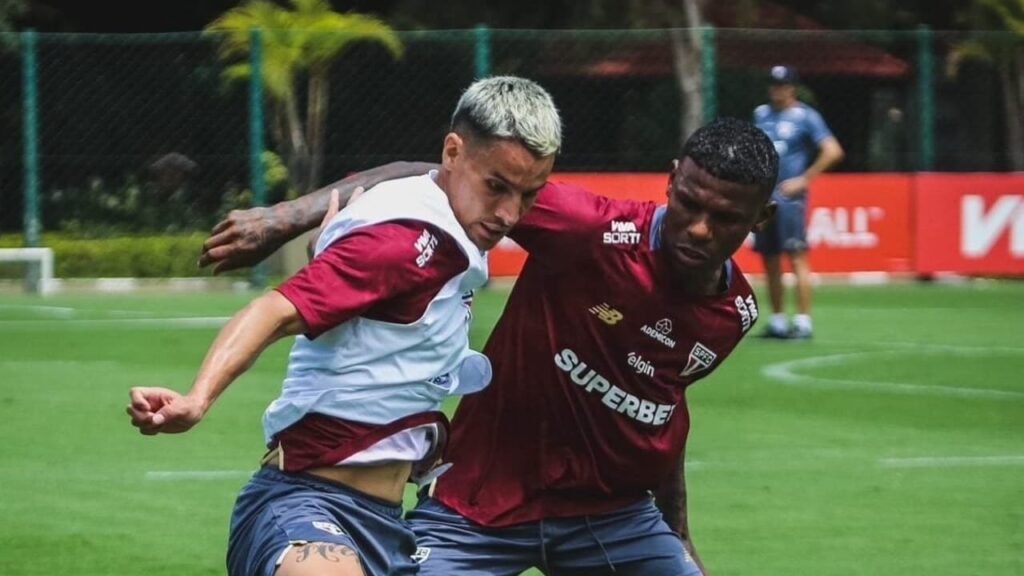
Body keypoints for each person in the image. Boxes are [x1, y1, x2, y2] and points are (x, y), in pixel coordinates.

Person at [200, 118, 779, 575]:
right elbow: (436, 173)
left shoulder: (734, 314)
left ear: (762, 218)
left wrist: (678, 532)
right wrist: (282, 218)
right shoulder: (590, 229)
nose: (699, 228)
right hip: (477, 506)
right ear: (672, 181)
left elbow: (662, 409)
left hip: (611, 515)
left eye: (725, 217)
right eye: (690, 204)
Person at [126, 75, 561, 576]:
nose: (509, 214)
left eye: (528, 196)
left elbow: (408, 171)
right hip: (307, 506)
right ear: (452, 152)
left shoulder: (443, 219)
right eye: (496, 187)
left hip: (385, 526)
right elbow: (273, 310)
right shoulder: (402, 242)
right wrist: (197, 399)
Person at [752, 65, 844, 339]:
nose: (776, 90)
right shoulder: (761, 114)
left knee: (796, 255)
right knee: (769, 258)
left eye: (782, 85)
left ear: (792, 88)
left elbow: (832, 150)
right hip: (764, 198)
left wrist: (804, 180)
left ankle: (803, 322)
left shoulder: (806, 116)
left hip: (789, 199)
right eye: (773, 84)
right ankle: (778, 321)